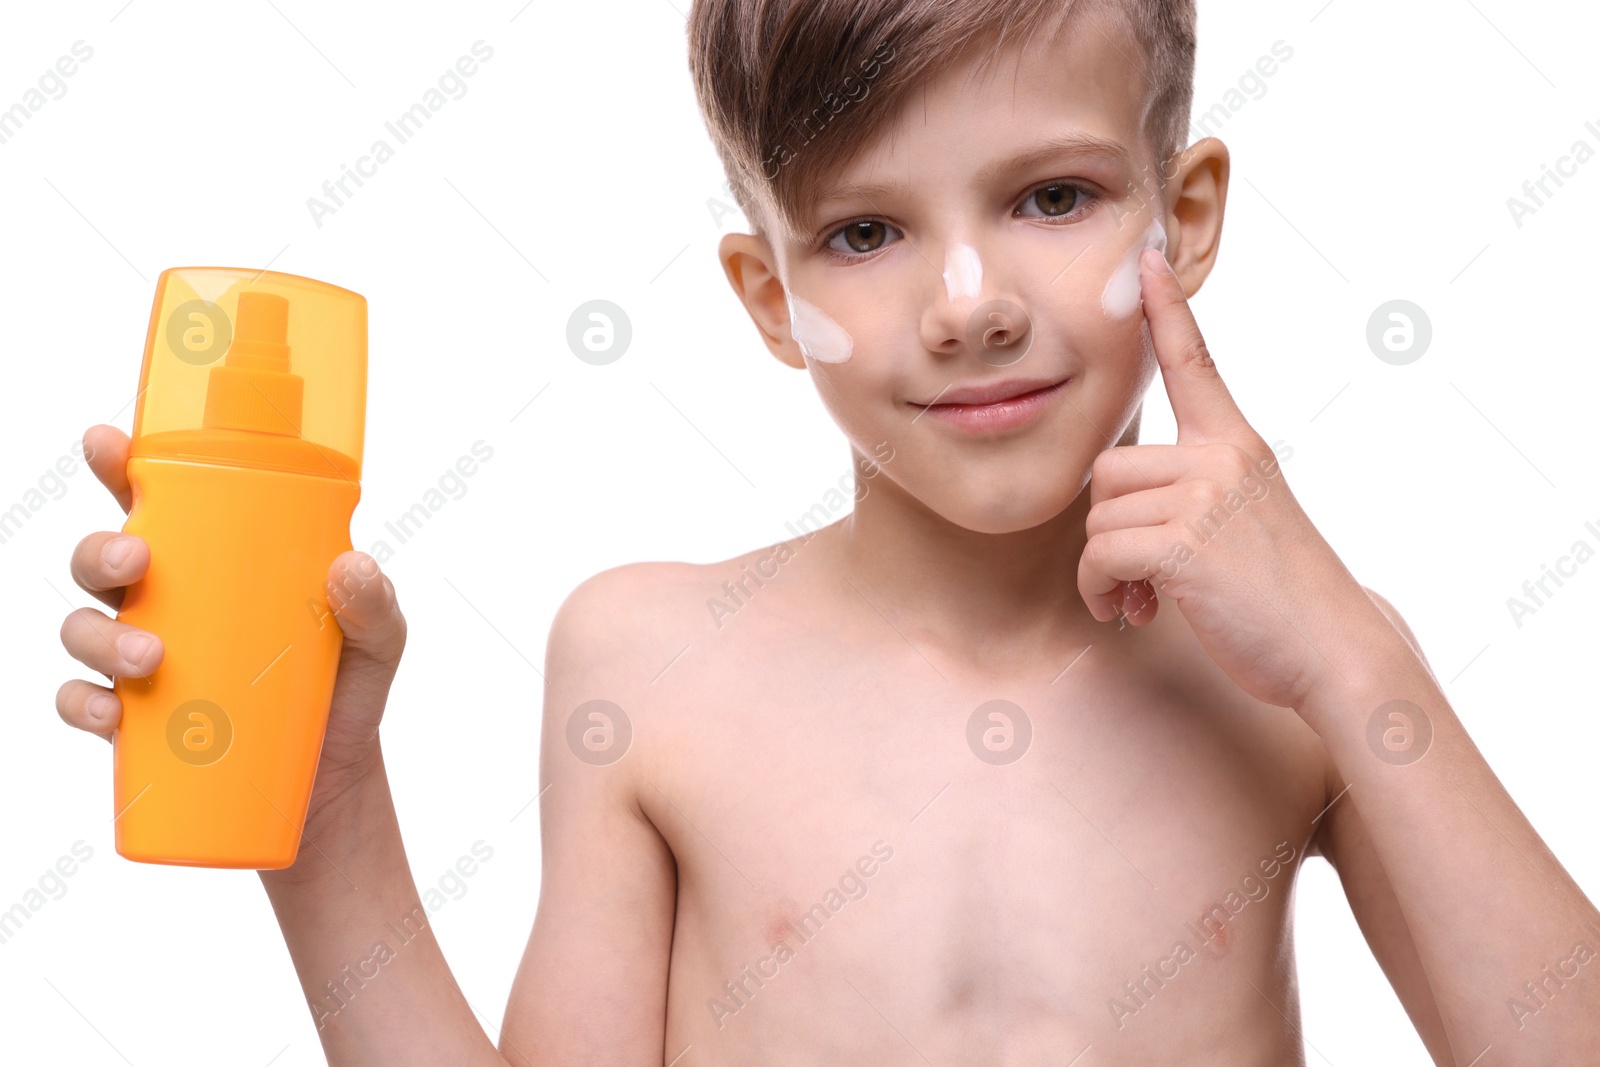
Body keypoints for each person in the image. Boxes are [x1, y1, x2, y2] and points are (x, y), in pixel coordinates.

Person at [55, 0, 1600, 1062]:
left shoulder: (1299, 678)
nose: (969, 305)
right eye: (865, 233)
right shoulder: (649, 663)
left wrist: (1347, 652)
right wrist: (323, 817)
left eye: (1052, 198)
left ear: (1180, 216)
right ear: (769, 297)